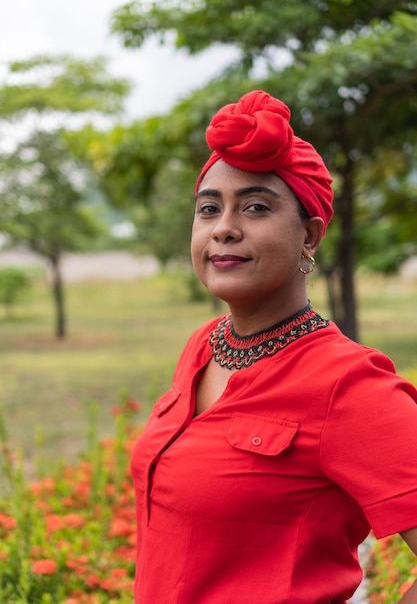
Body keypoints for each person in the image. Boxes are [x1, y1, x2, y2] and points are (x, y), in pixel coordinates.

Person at [131, 89, 417, 603]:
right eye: (208, 209)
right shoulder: (203, 347)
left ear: (309, 235)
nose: (223, 229)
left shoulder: (349, 386)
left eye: (256, 207)